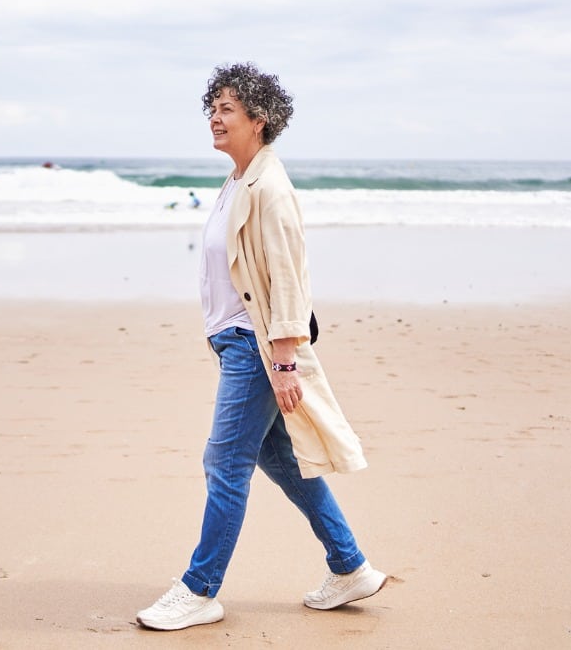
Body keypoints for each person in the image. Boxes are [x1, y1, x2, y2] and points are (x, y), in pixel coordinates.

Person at [136, 63, 385, 631]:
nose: (215, 118)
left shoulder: (269, 188)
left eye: (227, 109)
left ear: (259, 118)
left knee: (223, 463)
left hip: (256, 347)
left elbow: (290, 279)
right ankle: (349, 566)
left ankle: (200, 590)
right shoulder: (239, 179)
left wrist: (284, 360)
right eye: (213, 108)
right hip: (237, 344)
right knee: (280, 461)